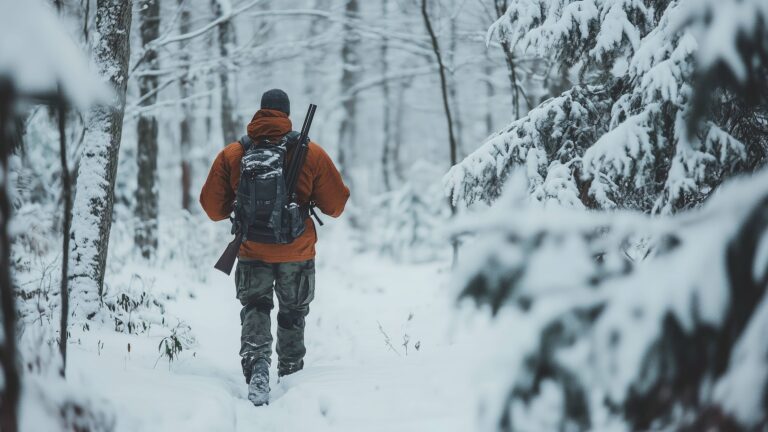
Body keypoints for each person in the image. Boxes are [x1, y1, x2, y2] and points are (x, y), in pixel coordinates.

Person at [199, 89, 350, 406]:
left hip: (252, 249)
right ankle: (292, 374)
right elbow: (336, 206)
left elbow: (212, 208)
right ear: (287, 114)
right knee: (293, 313)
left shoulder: (233, 153)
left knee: (255, 307)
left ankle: (257, 368)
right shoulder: (311, 153)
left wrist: (242, 212)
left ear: (261, 112)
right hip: (298, 251)